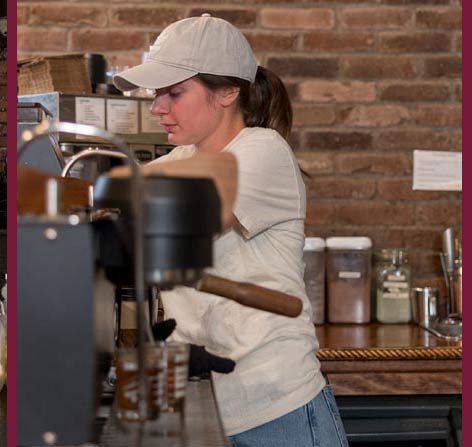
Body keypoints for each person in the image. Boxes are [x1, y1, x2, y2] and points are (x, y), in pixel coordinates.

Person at [112, 14, 349, 446]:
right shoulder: (180, 161)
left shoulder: (263, 151)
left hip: (276, 403)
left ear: (227, 91)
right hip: (204, 400)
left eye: (174, 93)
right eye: (156, 94)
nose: (157, 108)